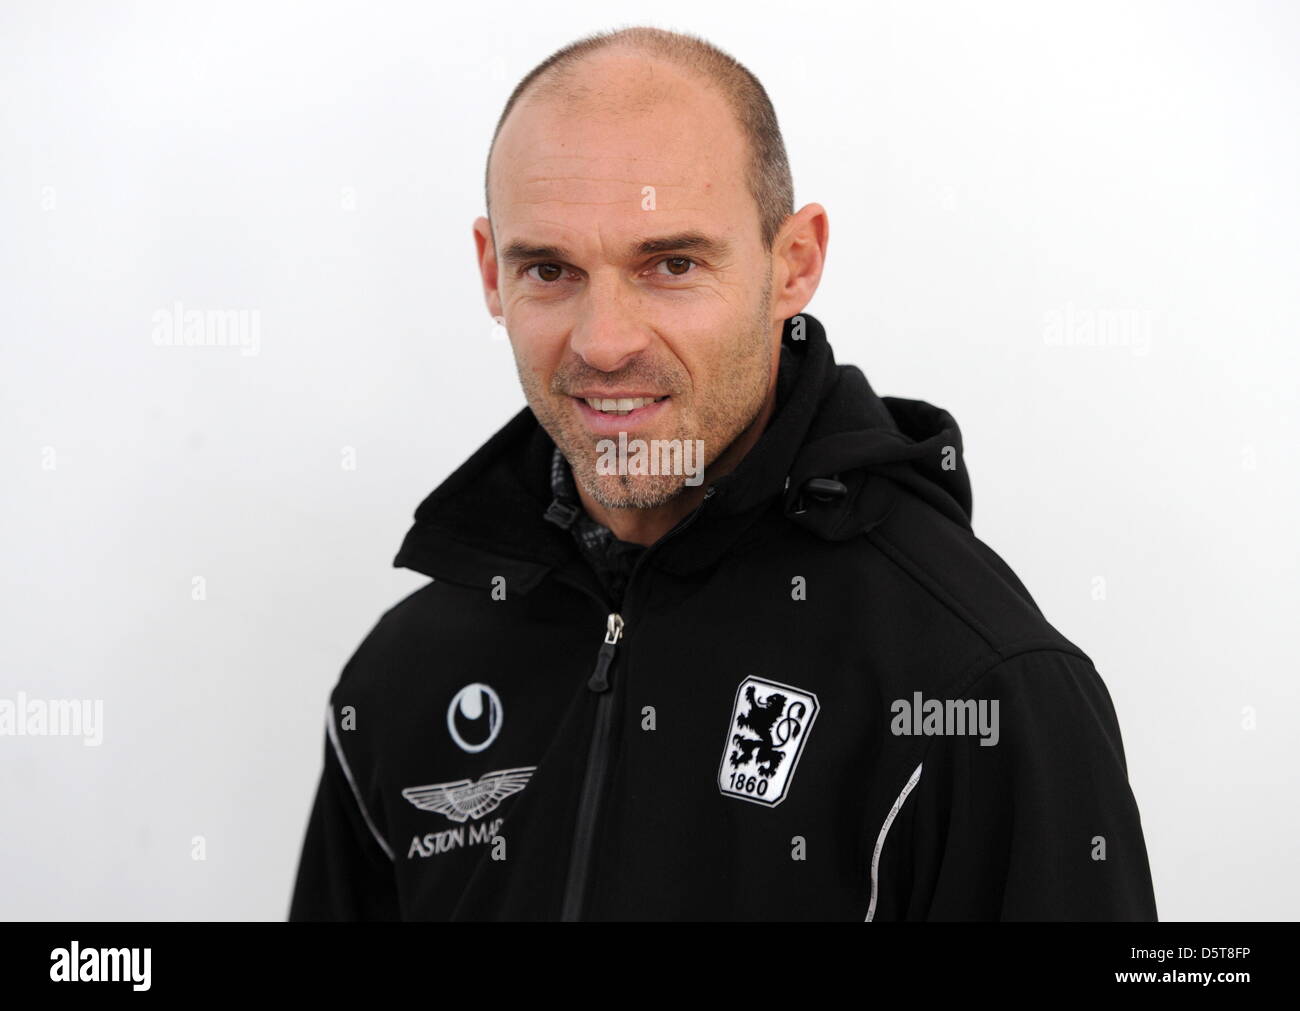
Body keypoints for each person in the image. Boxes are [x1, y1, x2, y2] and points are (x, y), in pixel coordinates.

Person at [288, 25, 1157, 921]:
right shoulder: (404, 674)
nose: (604, 341)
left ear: (794, 264)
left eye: (671, 264)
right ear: (490, 272)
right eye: (550, 269)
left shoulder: (980, 688)